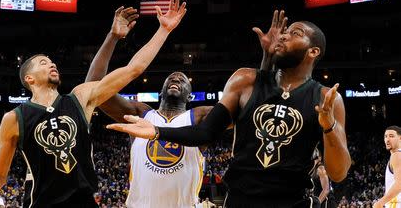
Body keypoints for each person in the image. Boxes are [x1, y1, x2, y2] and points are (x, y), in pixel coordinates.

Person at [0, 0, 186, 208]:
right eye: (43, 63)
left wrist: (163, 30)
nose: (51, 64)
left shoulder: (79, 97)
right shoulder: (14, 117)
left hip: (84, 202)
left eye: (51, 61)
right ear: (29, 79)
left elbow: (133, 69)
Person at [107, 16, 352, 207]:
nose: (284, 36)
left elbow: (338, 173)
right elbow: (205, 133)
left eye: (294, 33)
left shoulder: (327, 98)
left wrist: (328, 125)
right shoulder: (244, 79)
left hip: (294, 200)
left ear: (313, 51)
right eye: (285, 32)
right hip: (240, 199)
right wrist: (158, 131)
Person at [86, 10, 288, 208]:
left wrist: (268, 59)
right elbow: (93, 88)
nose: (176, 79)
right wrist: (112, 37)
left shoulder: (200, 117)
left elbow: (255, 107)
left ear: (189, 95)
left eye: (182, 80)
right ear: (162, 91)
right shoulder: (141, 113)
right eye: (171, 78)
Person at [374, 125, 401, 208]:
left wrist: (380, 203)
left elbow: (399, 184)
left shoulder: (396, 155)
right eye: (385, 136)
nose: (387, 139)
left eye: (391, 136)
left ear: (400, 138)